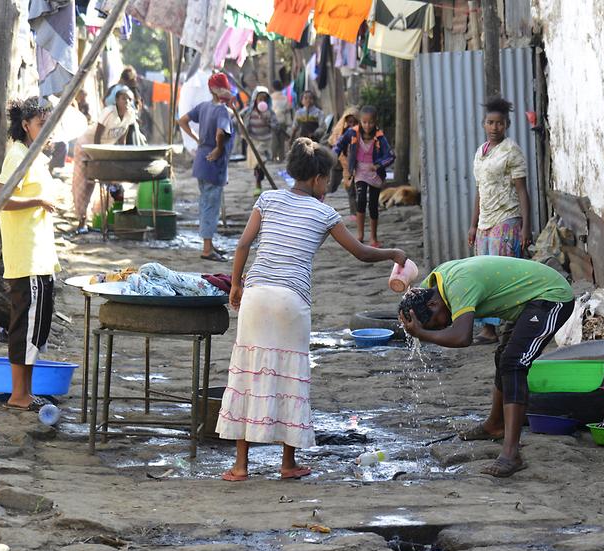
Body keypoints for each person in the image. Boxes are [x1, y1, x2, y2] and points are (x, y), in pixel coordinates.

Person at [215, 138, 408, 481]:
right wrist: (393, 253)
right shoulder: (324, 212)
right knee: (291, 376)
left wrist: (235, 284)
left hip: (256, 295)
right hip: (291, 301)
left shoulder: (268, 199)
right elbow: (361, 252)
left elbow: (243, 243)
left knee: (247, 373)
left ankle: (240, 466)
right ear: (319, 178)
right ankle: (287, 464)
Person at [398, 256, 574, 478]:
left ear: (433, 305)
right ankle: (495, 425)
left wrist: (423, 334)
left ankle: (511, 454)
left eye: (437, 323)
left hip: (551, 297)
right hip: (526, 303)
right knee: (504, 357)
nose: (443, 326)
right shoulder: (429, 290)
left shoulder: (459, 286)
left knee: (514, 363)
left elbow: (462, 337)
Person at [0, 97, 60, 411]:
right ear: (26, 125)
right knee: (26, 327)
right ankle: (19, 395)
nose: (46, 130)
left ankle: (26, 393)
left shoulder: (34, 156)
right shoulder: (17, 154)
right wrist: (37, 203)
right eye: (41, 124)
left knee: (36, 328)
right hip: (27, 257)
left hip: (40, 256)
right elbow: (0, 199)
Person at [468, 96, 533, 345]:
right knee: (484, 275)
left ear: (507, 125)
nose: (495, 128)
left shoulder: (511, 151)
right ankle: (489, 328)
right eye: (490, 122)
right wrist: (473, 224)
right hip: (485, 222)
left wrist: (526, 227)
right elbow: (479, 191)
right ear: (484, 124)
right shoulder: (480, 153)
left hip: (507, 219)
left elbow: (522, 191)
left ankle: (507, 326)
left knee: (502, 274)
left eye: (500, 123)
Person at [178, 73, 235, 262]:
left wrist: (196, 138)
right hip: (213, 164)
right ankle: (207, 249)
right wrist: (219, 148)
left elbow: (182, 120)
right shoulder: (222, 111)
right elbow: (221, 132)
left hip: (202, 161)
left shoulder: (204, 107)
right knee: (211, 206)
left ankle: (209, 244)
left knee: (206, 204)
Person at [71, 87, 140, 233]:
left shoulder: (130, 114)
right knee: (84, 185)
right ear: (116, 100)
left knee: (113, 184)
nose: (126, 101)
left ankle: (103, 219)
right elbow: (97, 136)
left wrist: (120, 156)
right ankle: (81, 221)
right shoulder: (108, 112)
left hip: (104, 151)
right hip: (86, 147)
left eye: (129, 99)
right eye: (123, 98)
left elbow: (123, 137)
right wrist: (97, 157)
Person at [333, 105, 394, 247]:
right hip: (360, 172)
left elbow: (390, 156)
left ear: (375, 122)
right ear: (360, 121)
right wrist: (331, 156)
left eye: (371, 122)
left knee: (373, 204)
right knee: (361, 200)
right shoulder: (352, 133)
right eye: (364, 122)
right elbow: (339, 145)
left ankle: (373, 238)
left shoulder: (380, 137)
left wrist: (379, 165)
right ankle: (359, 235)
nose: (367, 125)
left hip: (375, 174)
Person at [240, 86, 279, 196]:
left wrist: (269, 123)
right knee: (257, 164)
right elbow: (237, 117)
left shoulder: (269, 112)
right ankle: (258, 183)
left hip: (265, 141)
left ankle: (258, 182)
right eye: (260, 99)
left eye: (264, 99)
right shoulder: (249, 111)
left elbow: (276, 125)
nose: (262, 101)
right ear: (255, 99)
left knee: (261, 162)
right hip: (253, 141)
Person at [327, 105, 359, 219]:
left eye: (354, 122)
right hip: (338, 164)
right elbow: (335, 145)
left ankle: (354, 213)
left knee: (351, 189)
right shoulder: (341, 132)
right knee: (331, 187)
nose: (351, 125)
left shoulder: (360, 133)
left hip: (352, 165)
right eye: (349, 122)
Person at [269, 80, 290, 162]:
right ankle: (281, 157)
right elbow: (288, 110)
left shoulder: (270, 98)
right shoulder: (285, 97)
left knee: (274, 140)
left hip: (273, 121)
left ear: (273, 87)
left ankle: (274, 157)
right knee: (282, 140)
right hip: (282, 120)